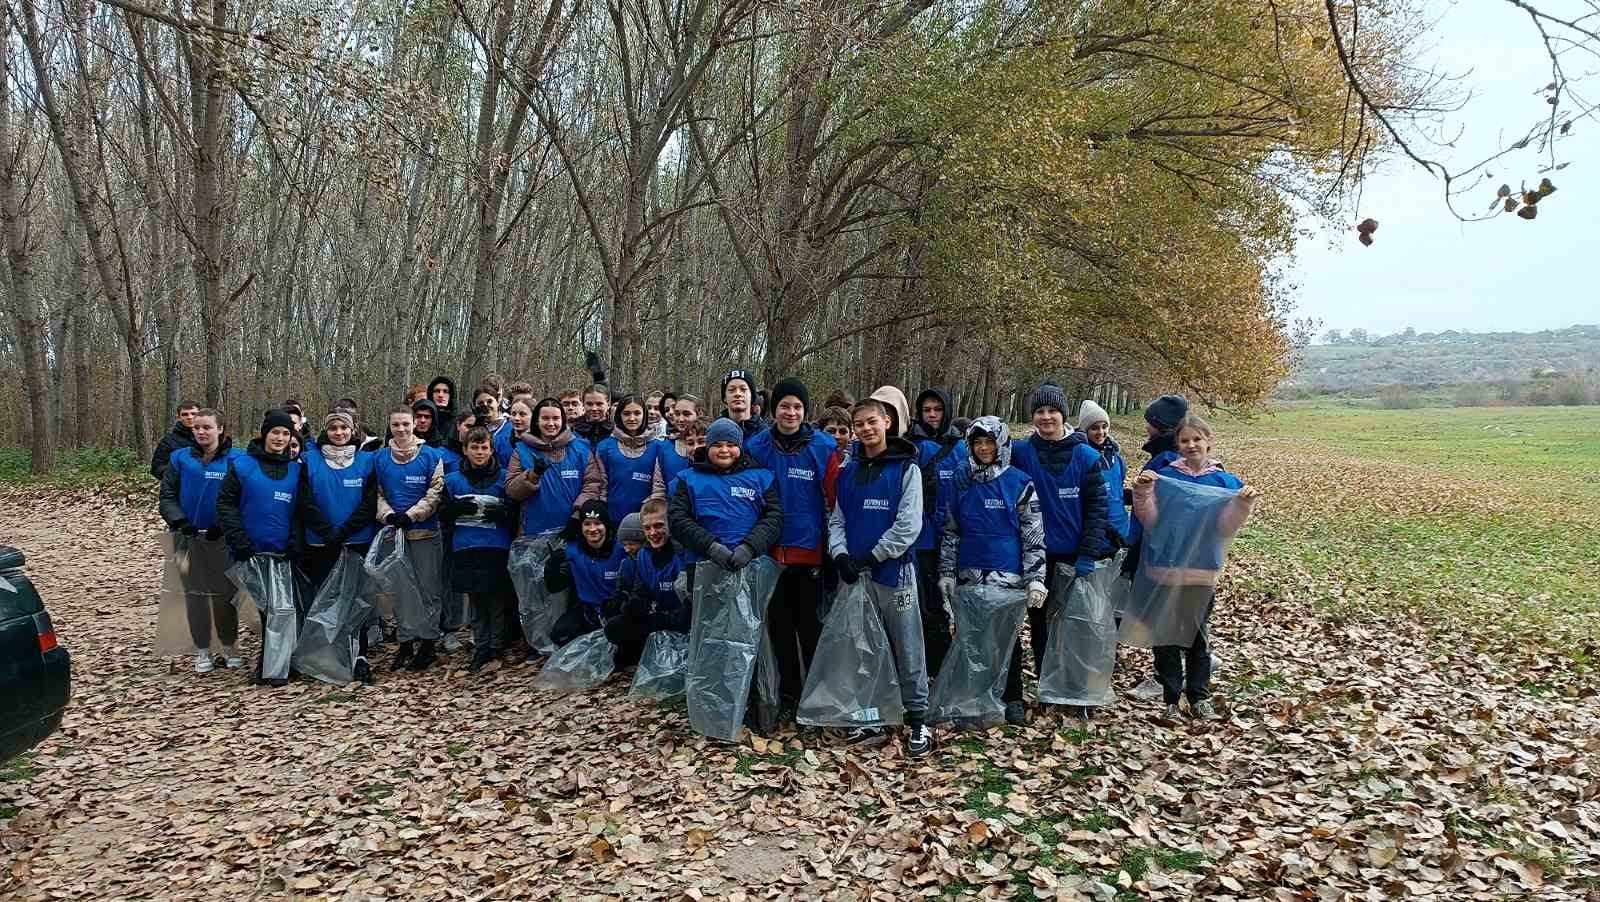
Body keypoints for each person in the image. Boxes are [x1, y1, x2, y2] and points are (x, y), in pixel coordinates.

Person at [1131, 415, 1261, 720]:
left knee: (1197, 637)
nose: (1191, 445)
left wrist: (1243, 504)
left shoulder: (1224, 483)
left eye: (1197, 439)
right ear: (1177, 445)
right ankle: (1171, 699)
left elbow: (1225, 528)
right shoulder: (1164, 477)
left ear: (1208, 442)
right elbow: (1150, 520)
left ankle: (1199, 696)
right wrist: (1142, 492)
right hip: (1164, 567)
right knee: (1164, 638)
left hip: (1201, 571)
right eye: (1185, 440)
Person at [827, 390, 933, 757]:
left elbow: (908, 525)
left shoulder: (906, 469)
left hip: (895, 575)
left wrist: (874, 555)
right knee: (863, 647)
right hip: (857, 577)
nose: (866, 429)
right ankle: (871, 713)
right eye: (859, 424)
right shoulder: (848, 473)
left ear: (887, 422)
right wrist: (840, 554)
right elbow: (837, 519)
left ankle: (917, 719)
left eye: (872, 421)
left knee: (907, 645)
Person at [216, 409, 337, 686]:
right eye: (275, 433)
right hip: (250, 552)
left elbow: (302, 509)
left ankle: (275, 667)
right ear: (264, 434)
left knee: (282, 610)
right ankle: (271, 665)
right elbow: (226, 504)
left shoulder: (296, 470)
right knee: (265, 611)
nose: (280, 438)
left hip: (282, 554)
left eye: (285, 433)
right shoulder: (242, 466)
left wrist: (308, 539)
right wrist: (239, 539)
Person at [938, 417, 1046, 726]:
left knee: (1006, 641)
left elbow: (1033, 535)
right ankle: (975, 698)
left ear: (1001, 444)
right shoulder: (961, 482)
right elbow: (951, 531)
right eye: (978, 443)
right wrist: (946, 572)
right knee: (971, 639)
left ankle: (1012, 697)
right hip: (969, 574)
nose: (984, 448)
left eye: (989, 442)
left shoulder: (1020, 483)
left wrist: (1036, 578)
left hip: (1007, 576)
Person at [1008, 383, 1112, 705]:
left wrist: (1087, 554)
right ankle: (1048, 686)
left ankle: (1075, 687)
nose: (1046, 417)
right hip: (1034, 559)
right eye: (1040, 411)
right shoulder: (1021, 453)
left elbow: (1097, 510)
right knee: (1040, 626)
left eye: (1052, 410)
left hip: (1073, 558)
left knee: (1074, 625)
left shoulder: (1086, 456)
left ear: (1063, 415)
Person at [744, 378, 840, 724]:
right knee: (779, 627)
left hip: (809, 550)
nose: (791, 412)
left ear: (805, 410)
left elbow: (834, 500)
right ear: (774, 410)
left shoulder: (823, 446)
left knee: (810, 627)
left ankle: (814, 698)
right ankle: (787, 695)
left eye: (797, 406)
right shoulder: (757, 446)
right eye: (785, 405)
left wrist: (833, 548)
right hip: (769, 553)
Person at [157, 407, 243, 673]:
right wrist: (179, 521)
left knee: (224, 594)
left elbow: (243, 498)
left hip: (222, 540)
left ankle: (229, 647)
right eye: (196, 427)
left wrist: (224, 525)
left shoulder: (237, 459)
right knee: (194, 595)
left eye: (207, 427)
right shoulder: (179, 458)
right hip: (185, 539)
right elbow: (167, 496)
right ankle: (202, 651)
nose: (201, 432)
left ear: (220, 429)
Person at [300, 409, 380, 683]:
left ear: (353, 430)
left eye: (344, 428)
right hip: (320, 543)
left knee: (358, 601)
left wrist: (345, 530)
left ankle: (359, 656)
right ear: (326, 431)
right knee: (326, 600)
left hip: (357, 541)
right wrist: (327, 531)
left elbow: (370, 502)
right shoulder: (309, 460)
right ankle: (328, 657)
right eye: (333, 428)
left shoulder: (367, 461)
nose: (339, 433)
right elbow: (304, 501)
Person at [1123, 393, 1189, 701]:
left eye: (1149, 422)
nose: (1145, 427)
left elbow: (1162, 505)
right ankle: (1185, 662)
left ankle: (1164, 677)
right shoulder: (1166, 456)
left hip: (1156, 549)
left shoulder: (1166, 460)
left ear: (1160, 426)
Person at [373, 404, 447, 671]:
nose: (401, 429)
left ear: (415, 424)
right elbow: (377, 493)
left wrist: (413, 515)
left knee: (428, 590)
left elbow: (436, 491)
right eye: (396, 424)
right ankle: (405, 641)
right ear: (390, 426)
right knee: (401, 591)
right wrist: (389, 515)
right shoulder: (380, 458)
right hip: (395, 535)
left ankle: (428, 643)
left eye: (406, 423)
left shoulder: (431, 456)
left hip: (425, 533)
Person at [440, 425, 520, 671]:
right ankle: (481, 645)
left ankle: (497, 645)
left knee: (496, 599)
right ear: (465, 449)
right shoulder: (452, 480)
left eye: (484, 447)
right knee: (476, 600)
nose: (479, 452)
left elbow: (517, 512)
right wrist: (453, 510)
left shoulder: (504, 478)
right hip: (465, 546)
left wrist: (505, 513)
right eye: (474, 447)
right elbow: (442, 513)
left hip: (496, 546)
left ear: (491, 450)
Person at [908, 388, 965, 676]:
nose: (932, 415)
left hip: (956, 536)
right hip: (923, 538)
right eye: (926, 410)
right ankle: (933, 667)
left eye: (938, 409)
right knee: (928, 605)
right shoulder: (911, 445)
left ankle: (956, 667)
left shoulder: (961, 447)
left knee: (958, 604)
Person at [603, 498, 688, 666]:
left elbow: (692, 602)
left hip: (682, 619)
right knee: (614, 627)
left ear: (670, 524)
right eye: (647, 528)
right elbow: (640, 592)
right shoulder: (643, 555)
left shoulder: (683, 553)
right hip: (660, 616)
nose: (653, 533)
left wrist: (664, 618)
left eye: (658, 526)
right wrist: (631, 606)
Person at [544, 499, 628, 646]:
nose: (592, 529)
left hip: (616, 609)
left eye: (598, 523)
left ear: (606, 525)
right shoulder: (572, 550)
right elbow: (554, 587)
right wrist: (552, 569)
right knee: (560, 634)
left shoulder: (622, 549)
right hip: (587, 610)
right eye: (587, 524)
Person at [506, 398, 592, 540]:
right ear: (536, 421)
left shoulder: (581, 449)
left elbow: (593, 484)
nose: (551, 423)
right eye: (545, 418)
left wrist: (578, 514)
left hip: (573, 530)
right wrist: (533, 475)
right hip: (532, 533)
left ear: (563, 420)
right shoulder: (521, 450)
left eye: (556, 418)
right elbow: (512, 491)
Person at [577, 394, 665, 527]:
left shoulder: (658, 447)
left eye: (637, 413)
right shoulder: (605, 447)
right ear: (619, 416)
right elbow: (600, 485)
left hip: (646, 520)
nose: (632, 418)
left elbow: (659, 488)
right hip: (612, 517)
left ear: (644, 415)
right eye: (626, 414)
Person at [1077, 401, 1130, 548]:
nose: (1101, 432)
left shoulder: (1117, 458)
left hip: (1122, 532)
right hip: (1096, 535)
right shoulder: (1080, 458)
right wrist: (1106, 528)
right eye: (1094, 428)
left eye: (1104, 426)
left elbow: (1116, 491)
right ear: (1085, 430)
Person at [151, 401, 199, 479]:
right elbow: (157, 467)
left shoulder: (211, 438)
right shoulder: (168, 441)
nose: (190, 417)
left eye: (193, 414)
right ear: (179, 417)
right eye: (185, 414)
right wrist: (177, 474)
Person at [720, 369, 765, 439]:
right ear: (725, 397)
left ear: (751, 396)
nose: (737, 394)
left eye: (743, 389)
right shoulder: (714, 431)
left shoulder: (766, 435)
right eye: (731, 390)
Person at [497, 397, 533, 468]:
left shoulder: (540, 443)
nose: (517, 418)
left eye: (522, 414)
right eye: (513, 414)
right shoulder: (499, 441)